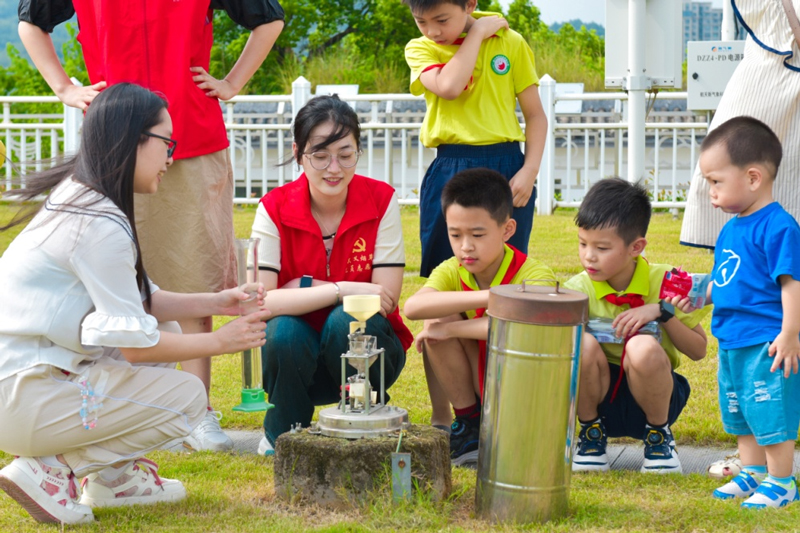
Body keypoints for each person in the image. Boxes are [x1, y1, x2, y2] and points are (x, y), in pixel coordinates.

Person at [18, 0, 285, 452]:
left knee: (193, 273)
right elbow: (30, 22)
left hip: (191, 137)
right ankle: (131, 405)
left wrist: (232, 81)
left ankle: (200, 413)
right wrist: (63, 87)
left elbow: (269, 17)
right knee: (113, 284)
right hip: (113, 145)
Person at [0, 83, 270, 525]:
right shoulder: (97, 223)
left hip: (24, 382)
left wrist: (220, 302)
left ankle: (113, 479)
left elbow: (141, 302)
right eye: (166, 142)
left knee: (174, 332)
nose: (170, 157)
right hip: (22, 395)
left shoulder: (81, 198)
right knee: (188, 397)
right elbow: (137, 348)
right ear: (133, 140)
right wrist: (222, 342)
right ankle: (50, 469)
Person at [403, 0, 548, 430]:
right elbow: (448, 86)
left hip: (507, 166)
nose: (432, 30)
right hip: (450, 164)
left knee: (508, 284)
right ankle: (444, 418)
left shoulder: (512, 43)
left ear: (470, 4)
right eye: (422, 21)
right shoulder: (421, 49)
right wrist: (478, 34)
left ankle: (504, 412)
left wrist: (529, 170)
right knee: (440, 298)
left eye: (442, 19)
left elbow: (536, 115)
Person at [250, 95, 413, 455]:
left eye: (345, 153)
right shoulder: (272, 208)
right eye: (320, 155)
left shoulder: (381, 200)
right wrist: (342, 288)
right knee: (283, 329)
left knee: (347, 321)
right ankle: (283, 437)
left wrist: (305, 287)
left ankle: (366, 420)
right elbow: (263, 302)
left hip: (369, 350)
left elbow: (384, 298)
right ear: (298, 153)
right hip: (298, 356)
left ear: (358, 150)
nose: (334, 168)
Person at [683, 116, 800, 509]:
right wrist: (703, 295)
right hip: (731, 339)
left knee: (769, 410)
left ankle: (782, 480)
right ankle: (752, 472)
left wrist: (789, 333)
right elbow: (730, 279)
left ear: (752, 178)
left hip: (766, 341)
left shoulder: (779, 227)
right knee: (740, 409)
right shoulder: (731, 228)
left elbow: (791, 283)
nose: (709, 190)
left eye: (716, 181)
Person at [404, 168, 556, 465]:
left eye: (477, 234)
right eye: (455, 234)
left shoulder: (534, 273)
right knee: (436, 318)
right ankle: (469, 424)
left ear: (507, 229)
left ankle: (499, 426)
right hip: (479, 377)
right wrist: (492, 297)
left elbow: (522, 324)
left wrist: (452, 331)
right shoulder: (453, 269)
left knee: (443, 326)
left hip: (522, 389)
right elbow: (413, 308)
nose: (465, 247)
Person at [564, 178, 709, 475]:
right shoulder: (577, 290)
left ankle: (659, 439)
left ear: (636, 247)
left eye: (602, 247)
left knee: (641, 345)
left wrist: (662, 312)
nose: (588, 256)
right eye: (583, 243)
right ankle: (591, 434)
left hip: (655, 396)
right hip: (598, 397)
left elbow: (698, 351)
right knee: (581, 343)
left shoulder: (666, 282)